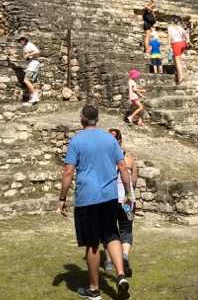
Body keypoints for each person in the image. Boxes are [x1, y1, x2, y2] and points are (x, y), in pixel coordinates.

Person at [59, 105, 133, 300]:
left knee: (92, 243)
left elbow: (68, 171)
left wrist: (62, 197)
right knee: (112, 235)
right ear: (97, 120)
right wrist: (128, 193)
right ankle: (120, 276)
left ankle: (94, 289)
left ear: (82, 120)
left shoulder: (77, 140)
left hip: (88, 198)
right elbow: (123, 168)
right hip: (109, 196)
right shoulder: (110, 139)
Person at [103, 128, 138, 278]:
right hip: (128, 201)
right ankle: (124, 254)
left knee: (108, 230)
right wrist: (129, 194)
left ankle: (109, 261)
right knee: (126, 229)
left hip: (109, 201)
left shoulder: (103, 159)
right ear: (120, 141)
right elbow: (134, 180)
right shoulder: (129, 159)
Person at [17, 36, 41, 105]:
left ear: (25, 40)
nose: (20, 42)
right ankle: (31, 100)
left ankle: (34, 97)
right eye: (19, 40)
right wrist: (9, 51)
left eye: (21, 40)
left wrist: (28, 55)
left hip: (33, 64)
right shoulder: (24, 48)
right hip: (33, 64)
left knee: (26, 80)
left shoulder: (29, 44)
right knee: (31, 82)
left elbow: (37, 51)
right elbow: (18, 57)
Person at [167, 16, 188, 85]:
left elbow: (169, 36)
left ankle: (181, 76)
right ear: (178, 22)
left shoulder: (170, 28)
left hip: (176, 44)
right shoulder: (181, 28)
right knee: (174, 57)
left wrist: (169, 45)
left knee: (177, 60)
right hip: (183, 43)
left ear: (172, 22)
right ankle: (177, 70)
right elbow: (184, 37)